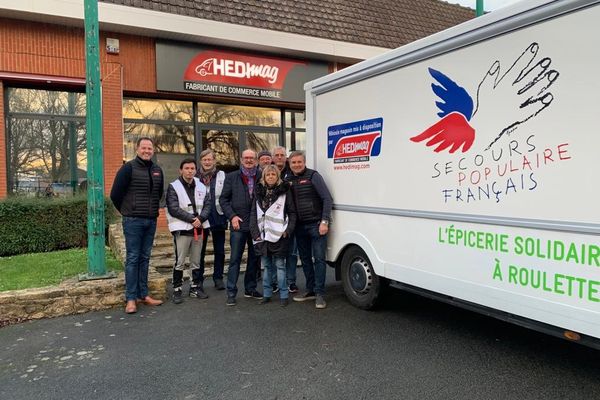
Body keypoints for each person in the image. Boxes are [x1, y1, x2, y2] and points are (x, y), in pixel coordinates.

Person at [110, 137, 164, 314]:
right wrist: (127, 211)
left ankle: (144, 294)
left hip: (151, 220)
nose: (147, 151)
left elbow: (159, 193)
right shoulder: (128, 168)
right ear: (137, 149)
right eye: (144, 148)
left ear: (153, 150)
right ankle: (131, 298)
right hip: (133, 221)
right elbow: (115, 194)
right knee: (133, 258)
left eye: (150, 148)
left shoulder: (157, 170)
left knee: (145, 258)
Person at [288, 150, 333, 309]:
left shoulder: (314, 176)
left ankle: (320, 293)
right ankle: (311, 290)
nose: (297, 165)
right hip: (299, 227)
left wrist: (324, 221)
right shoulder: (288, 179)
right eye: (293, 162)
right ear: (289, 164)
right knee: (306, 260)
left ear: (304, 162)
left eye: (299, 162)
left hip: (316, 225)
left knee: (319, 259)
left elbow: (327, 199)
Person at [220, 149, 263, 306]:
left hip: (256, 225)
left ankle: (250, 288)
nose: (249, 160)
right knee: (235, 260)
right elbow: (223, 200)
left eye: (252, 158)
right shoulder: (232, 177)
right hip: (238, 224)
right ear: (241, 159)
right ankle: (231, 292)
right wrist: (232, 216)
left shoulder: (261, 176)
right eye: (246, 158)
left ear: (256, 160)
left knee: (254, 258)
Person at [250, 164, 296, 307]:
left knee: (280, 265)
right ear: (264, 177)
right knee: (267, 266)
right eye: (268, 175)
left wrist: (287, 230)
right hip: (263, 235)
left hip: (279, 235)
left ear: (278, 177)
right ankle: (267, 294)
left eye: (273, 174)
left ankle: (283, 295)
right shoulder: (258, 192)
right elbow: (253, 213)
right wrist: (255, 232)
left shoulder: (285, 192)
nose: (270, 177)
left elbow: (292, 213)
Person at [166, 158, 211, 304]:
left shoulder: (201, 185)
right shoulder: (174, 186)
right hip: (182, 229)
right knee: (180, 261)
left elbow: (207, 205)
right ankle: (177, 289)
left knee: (196, 261)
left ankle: (195, 287)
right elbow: (173, 208)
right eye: (187, 168)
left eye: (192, 168)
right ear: (181, 170)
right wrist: (193, 219)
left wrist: (201, 218)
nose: (190, 171)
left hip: (199, 229)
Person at [196, 149, 228, 290]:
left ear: (214, 161)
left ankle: (218, 278)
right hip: (201, 218)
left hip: (218, 217)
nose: (207, 162)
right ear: (201, 161)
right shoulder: (195, 176)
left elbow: (227, 195)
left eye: (210, 159)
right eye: (205, 160)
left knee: (219, 251)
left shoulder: (222, 175)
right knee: (200, 251)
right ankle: (199, 279)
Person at [272, 146, 299, 293]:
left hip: (291, 219)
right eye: (277, 155)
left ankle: (291, 281)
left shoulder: (293, 173)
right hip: (273, 222)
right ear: (273, 157)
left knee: (292, 253)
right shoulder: (269, 173)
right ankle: (276, 282)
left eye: (282, 155)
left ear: (286, 157)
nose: (280, 157)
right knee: (275, 254)